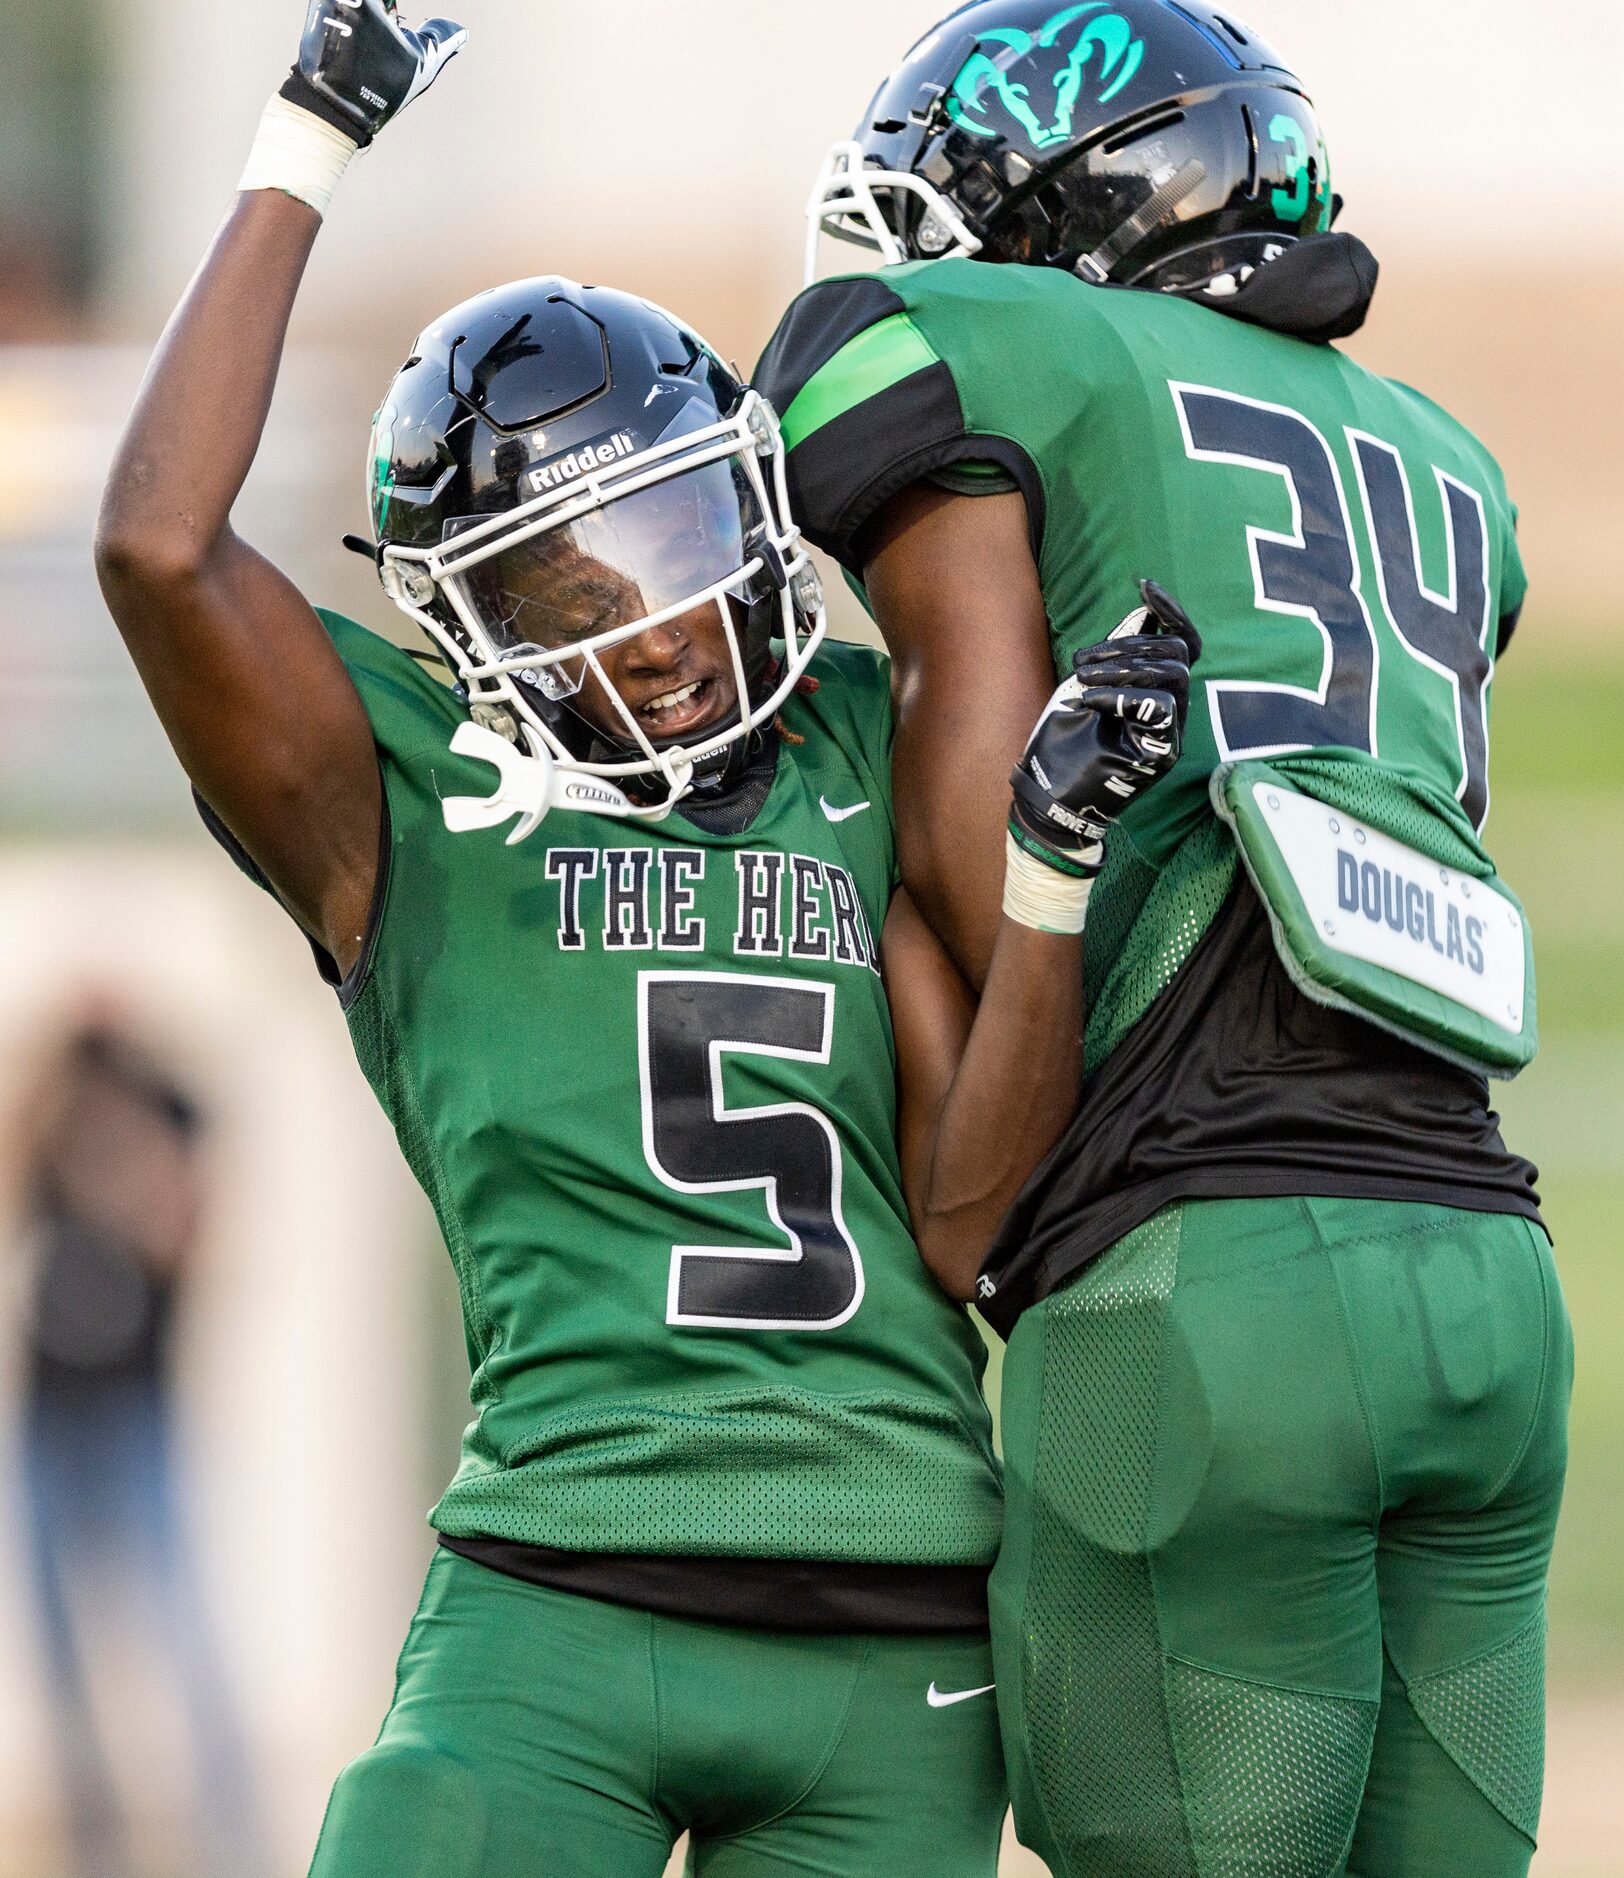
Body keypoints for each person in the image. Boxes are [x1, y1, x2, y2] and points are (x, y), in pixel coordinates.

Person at [93, 5, 1198, 1874]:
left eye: (681, 529)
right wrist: (309, 139)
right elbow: (158, 550)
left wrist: (1047, 870)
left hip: (897, 1620)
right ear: (465, 623)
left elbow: (969, 1200)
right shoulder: (402, 798)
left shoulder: (866, 731)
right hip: (555, 1594)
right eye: (566, 583)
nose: (660, 620)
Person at [756, 3, 1571, 1874]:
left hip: (1199, 1295)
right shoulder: (1441, 460)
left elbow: (988, 830)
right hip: (1482, 1278)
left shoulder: (958, 343)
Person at [14, 1010, 262, 1878]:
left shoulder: (170, 1115)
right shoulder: (54, 1117)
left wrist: (113, 1149)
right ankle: (94, 1841)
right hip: (45, 1416)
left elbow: (175, 1232)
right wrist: (54, 1077)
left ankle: (236, 1834)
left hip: (138, 1414)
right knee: (56, 1643)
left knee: (183, 1625)